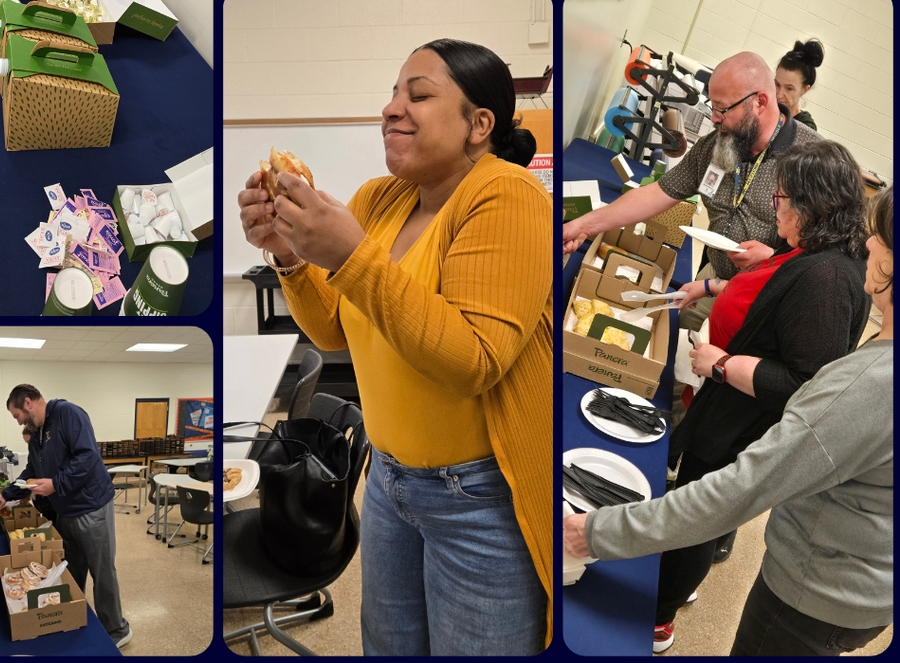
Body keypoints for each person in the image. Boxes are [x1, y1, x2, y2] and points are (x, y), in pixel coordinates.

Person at [237, 38, 553, 655]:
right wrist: (288, 255)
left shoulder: (507, 198)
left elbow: (473, 359)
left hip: (478, 498)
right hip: (388, 482)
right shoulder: (381, 198)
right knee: (389, 645)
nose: (391, 108)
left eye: (419, 95)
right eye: (391, 93)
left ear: (479, 125)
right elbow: (333, 328)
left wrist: (354, 257)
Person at [563, 184, 892, 656]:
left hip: (815, 594)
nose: (867, 244)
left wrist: (595, 533)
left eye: (878, 236)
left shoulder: (868, 381)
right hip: (854, 584)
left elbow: (739, 490)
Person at [643, 140, 873, 647]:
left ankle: (659, 616)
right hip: (732, 412)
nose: (776, 208)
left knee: (703, 513)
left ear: (811, 207)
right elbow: (776, 300)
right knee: (699, 507)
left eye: (782, 199)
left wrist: (722, 365)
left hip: (743, 425)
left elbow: (804, 387)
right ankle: (677, 584)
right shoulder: (819, 250)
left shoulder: (829, 280)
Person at [563, 51, 822, 335]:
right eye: (713, 107)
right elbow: (656, 194)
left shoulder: (814, 161)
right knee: (676, 342)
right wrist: (582, 226)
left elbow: (827, 263)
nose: (713, 119)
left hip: (766, 297)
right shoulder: (718, 144)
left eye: (722, 109)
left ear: (759, 102)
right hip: (713, 276)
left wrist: (772, 258)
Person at [0, 384, 132, 649]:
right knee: (71, 568)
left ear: (28, 403)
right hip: (65, 510)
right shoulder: (38, 433)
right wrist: (7, 494)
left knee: (102, 571)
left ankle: (117, 629)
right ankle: (71, 614)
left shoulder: (68, 414)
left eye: (16, 415)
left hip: (91, 508)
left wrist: (56, 483)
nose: (18, 421)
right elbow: (31, 468)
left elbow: (88, 457)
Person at [775, 39, 823, 131]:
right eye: (777, 84)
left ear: (804, 90)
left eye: (789, 89)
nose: (779, 95)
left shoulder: (805, 129)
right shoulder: (763, 108)